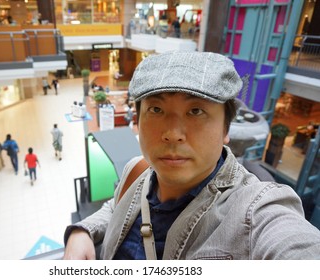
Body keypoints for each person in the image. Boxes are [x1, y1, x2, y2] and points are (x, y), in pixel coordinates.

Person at [63, 51, 320, 260]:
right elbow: (115, 206)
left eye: (196, 111)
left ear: (225, 129)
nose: (173, 133)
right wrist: (83, 231)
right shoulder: (137, 169)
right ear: (138, 121)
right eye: (156, 108)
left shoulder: (256, 211)